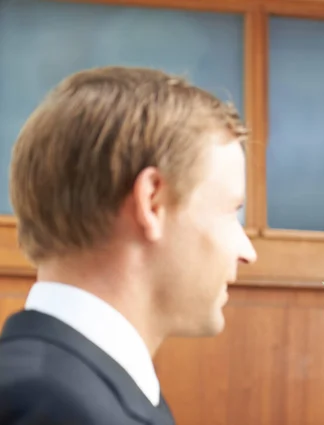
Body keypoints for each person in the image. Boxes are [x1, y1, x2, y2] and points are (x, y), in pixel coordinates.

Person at [0, 66, 256, 424]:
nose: (248, 251)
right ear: (152, 202)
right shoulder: (56, 407)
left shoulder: (67, 384)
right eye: (232, 211)